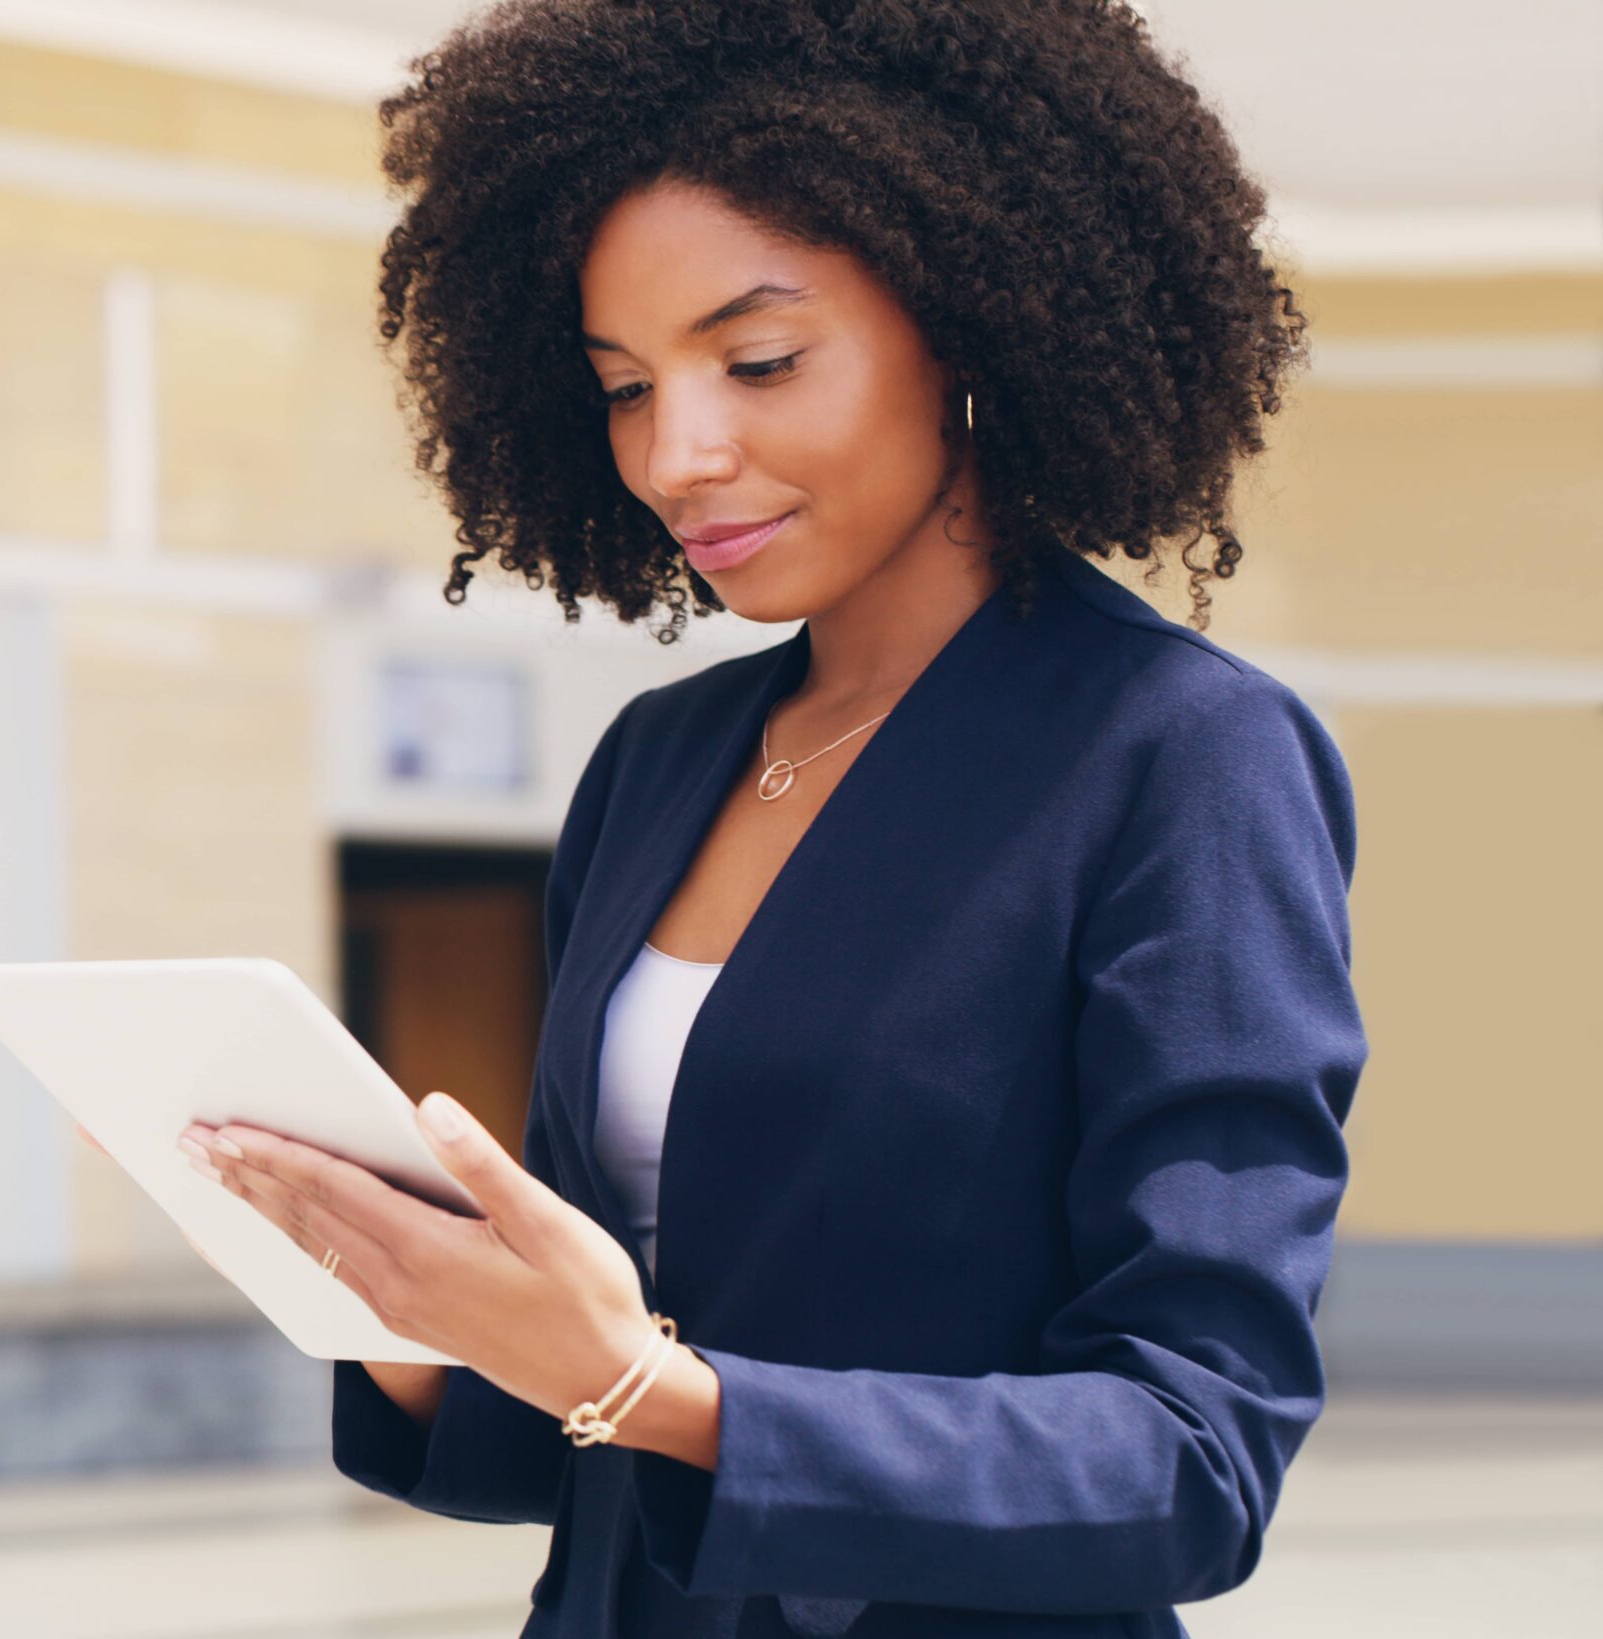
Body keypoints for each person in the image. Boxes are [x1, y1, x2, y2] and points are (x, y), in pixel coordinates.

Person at [170, 2, 1367, 1634]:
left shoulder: (1180, 756)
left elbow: (1190, 1459)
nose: (678, 454)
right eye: (621, 388)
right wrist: (394, 1294)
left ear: (973, 322)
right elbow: (585, 1425)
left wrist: (657, 1391)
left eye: (758, 361)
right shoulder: (660, 763)